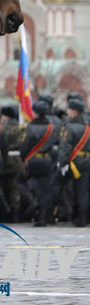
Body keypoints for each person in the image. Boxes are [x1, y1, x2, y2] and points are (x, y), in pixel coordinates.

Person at [16, 98, 58, 226]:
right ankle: (42, 219)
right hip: (46, 160)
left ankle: (32, 200)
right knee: (46, 190)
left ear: (35, 113)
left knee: (19, 181)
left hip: (32, 160)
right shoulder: (53, 128)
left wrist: (25, 159)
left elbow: (23, 147)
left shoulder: (30, 128)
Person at [57, 94, 90, 227]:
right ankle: (82, 217)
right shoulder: (87, 127)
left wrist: (62, 162)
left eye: (69, 110)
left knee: (60, 186)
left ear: (74, 112)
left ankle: (74, 215)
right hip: (87, 161)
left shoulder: (70, 128)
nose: (67, 112)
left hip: (75, 163)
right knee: (83, 190)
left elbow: (65, 147)